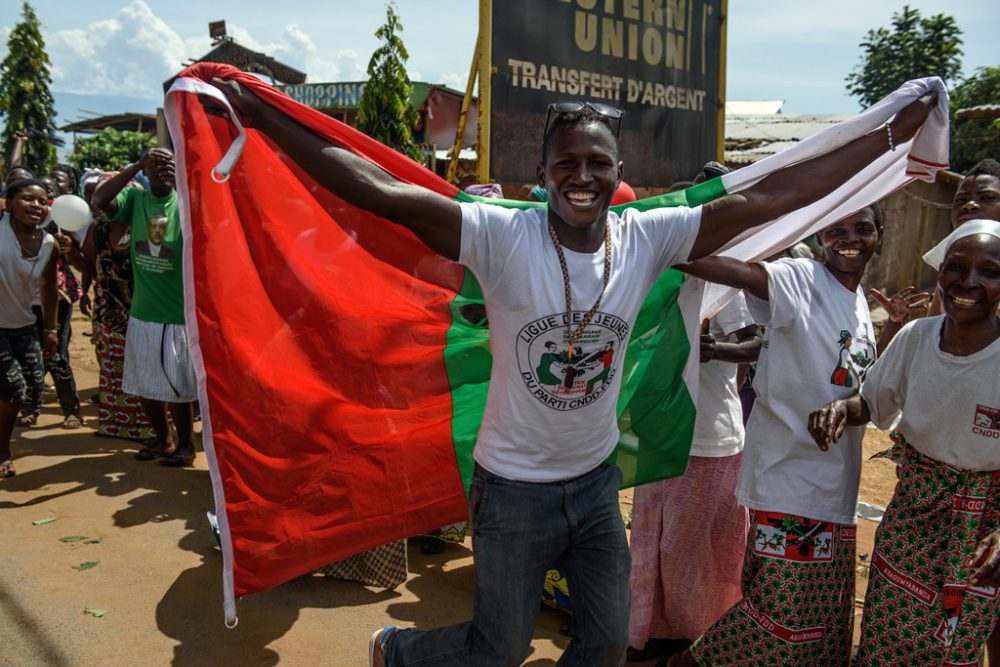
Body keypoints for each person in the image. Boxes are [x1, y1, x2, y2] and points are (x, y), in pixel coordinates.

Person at [202, 76, 934, 667]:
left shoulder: (649, 235)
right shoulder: (499, 234)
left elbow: (769, 196)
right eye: (566, 164)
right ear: (543, 173)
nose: (582, 177)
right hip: (512, 490)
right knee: (500, 646)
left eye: (597, 164)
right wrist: (263, 118)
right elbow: (380, 192)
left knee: (604, 643)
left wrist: (888, 137)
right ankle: (400, 648)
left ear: (620, 174)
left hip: (591, 487)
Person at [668, 205, 907, 667]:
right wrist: (667, 243)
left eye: (862, 228)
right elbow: (739, 272)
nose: (848, 238)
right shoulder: (802, 278)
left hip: (833, 489)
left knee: (818, 624)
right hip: (788, 484)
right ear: (818, 237)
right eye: (835, 229)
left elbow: (864, 390)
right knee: (784, 619)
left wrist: (892, 328)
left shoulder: (857, 303)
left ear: (880, 233)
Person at [808, 220, 1000, 666]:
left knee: (953, 646)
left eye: (989, 272)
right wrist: (842, 408)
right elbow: (873, 404)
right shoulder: (916, 338)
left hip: (983, 528)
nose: (968, 282)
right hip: (913, 511)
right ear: (941, 273)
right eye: (956, 267)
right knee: (887, 629)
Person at [627, 293, 760, 665]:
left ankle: (701, 637)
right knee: (649, 541)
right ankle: (653, 631)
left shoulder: (722, 286)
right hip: (656, 430)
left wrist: (715, 349)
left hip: (708, 437)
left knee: (690, 550)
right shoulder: (654, 271)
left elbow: (756, 344)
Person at [92, 148, 198, 467]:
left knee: (179, 387)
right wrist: (136, 165)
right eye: (155, 166)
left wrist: (180, 174)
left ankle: (185, 445)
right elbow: (100, 200)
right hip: (142, 312)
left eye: (168, 164)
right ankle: (161, 439)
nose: (161, 170)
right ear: (145, 173)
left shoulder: (187, 201)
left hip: (177, 314)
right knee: (145, 384)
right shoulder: (135, 201)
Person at [62, 173, 153, 441]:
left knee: (146, 369)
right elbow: (89, 265)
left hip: (145, 308)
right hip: (109, 311)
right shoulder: (99, 227)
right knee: (114, 367)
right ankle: (118, 425)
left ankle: (151, 428)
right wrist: (71, 252)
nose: (106, 204)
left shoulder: (147, 225)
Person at [0, 179, 58, 478]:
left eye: (41, 200)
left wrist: (51, 329)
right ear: (8, 204)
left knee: (35, 385)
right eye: (27, 199)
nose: (36, 205)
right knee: (13, 389)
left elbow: (48, 287)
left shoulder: (49, 243)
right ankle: (2, 451)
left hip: (24, 324)